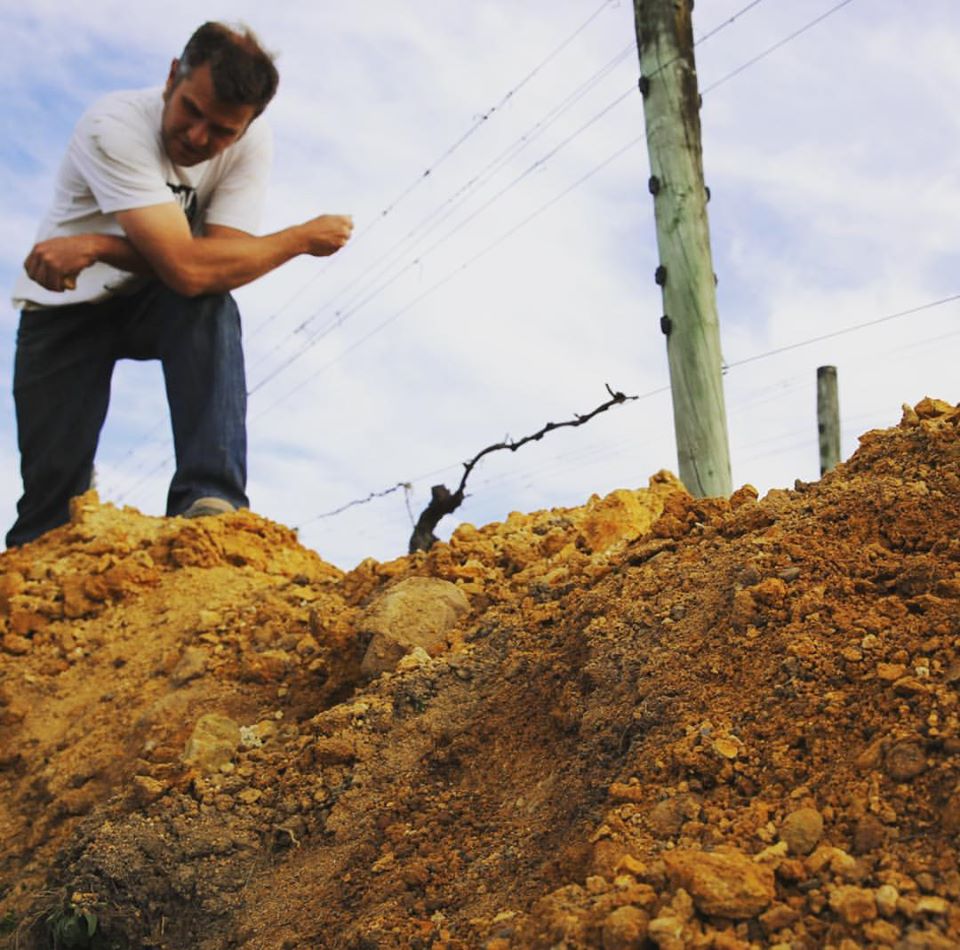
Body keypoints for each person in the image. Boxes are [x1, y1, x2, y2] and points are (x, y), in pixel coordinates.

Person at [7, 21, 353, 547]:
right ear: (173, 76)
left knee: (209, 302)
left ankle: (210, 498)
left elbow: (212, 266)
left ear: (247, 125)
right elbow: (188, 264)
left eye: (221, 131)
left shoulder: (251, 143)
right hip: (63, 307)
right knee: (48, 512)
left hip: (154, 300)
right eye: (191, 110)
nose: (197, 138)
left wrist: (100, 244)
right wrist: (298, 239)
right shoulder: (115, 123)